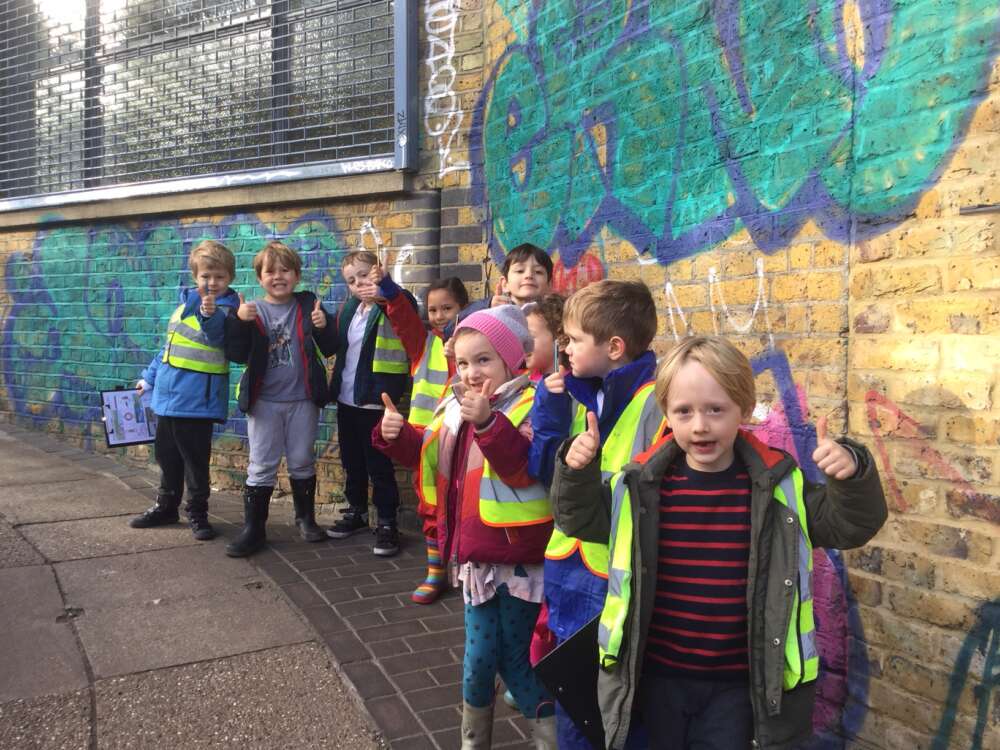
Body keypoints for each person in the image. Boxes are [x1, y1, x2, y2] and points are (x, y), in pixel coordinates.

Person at [551, 336, 888, 749]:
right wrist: (576, 470)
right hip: (656, 677)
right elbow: (579, 518)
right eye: (684, 411)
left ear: (743, 410)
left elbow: (851, 525)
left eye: (716, 409)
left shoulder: (779, 488)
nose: (700, 425)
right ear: (667, 414)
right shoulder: (640, 486)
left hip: (738, 684)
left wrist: (851, 474)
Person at [373, 305, 557, 748]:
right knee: (479, 663)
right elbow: (430, 456)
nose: (471, 372)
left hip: (518, 561)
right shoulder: (453, 405)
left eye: (484, 360)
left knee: (511, 662)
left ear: (513, 360)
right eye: (463, 362)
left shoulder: (533, 403)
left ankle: (552, 739)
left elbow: (522, 468)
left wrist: (489, 422)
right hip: (475, 556)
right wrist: (396, 435)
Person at [527, 280, 666, 749]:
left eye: (573, 340)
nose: (563, 348)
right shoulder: (586, 393)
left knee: (607, 717)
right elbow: (548, 469)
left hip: (610, 583)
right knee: (577, 713)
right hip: (573, 572)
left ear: (614, 347)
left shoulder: (652, 403)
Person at [223, 241, 338, 557]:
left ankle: (305, 519)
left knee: (302, 460)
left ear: (297, 275)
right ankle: (254, 530)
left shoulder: (308, 304)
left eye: (285, 270)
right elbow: (235, 354)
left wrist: (324, 326)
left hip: (303, 399)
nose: (278, 276)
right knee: (261, 466)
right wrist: (239, 322)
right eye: (270, 271)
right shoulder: (251, 310)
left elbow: (329, 347)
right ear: (259, 278)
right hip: (265, 403)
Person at [371, 270, 470, 602]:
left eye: (448, 309)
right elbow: (402, 318)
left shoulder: (473, 345)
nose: (439, 316)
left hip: (462, 441)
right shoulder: (422, 344)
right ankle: (435, 571)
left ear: (464, 309)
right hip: (425, 444)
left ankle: (464, 566)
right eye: (433, 310)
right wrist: (386, 286)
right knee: (429, 505)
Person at [131, 240, 240, 541]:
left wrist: (209, 313)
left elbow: (217, 336)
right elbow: (168, 349)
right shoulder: (182, 306)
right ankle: (166, 506)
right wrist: (148, 378)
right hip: (167, 399)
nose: (212, 282)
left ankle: (198, 513)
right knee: (167, 457)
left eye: (219, 276)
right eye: (206, 276)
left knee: (195, 463)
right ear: (195, 276)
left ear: (229, 277)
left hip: (197, 402)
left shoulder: (230, 308)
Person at [326, 250, 415, 556]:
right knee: (352, 462)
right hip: (348, 398)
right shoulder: (350, 308)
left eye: (364, 275)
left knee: (378, 465)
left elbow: (406, 310)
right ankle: (357, 511)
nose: (358, 284)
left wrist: (385, 289)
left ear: (377, 272)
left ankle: (388, 521)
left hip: (376, 400)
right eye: (352, 280)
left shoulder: (393, 301)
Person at [444, 243, 554, 358]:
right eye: (520, 271)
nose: (529, 275)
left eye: (538, 272)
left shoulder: (555, 317)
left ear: (550, 285)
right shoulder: (493, 314)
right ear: (505, 283)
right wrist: (487, 306)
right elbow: (450, 329)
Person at [523, 293, 567, 382]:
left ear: (561, 341)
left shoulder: (572, 387)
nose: (522, 343)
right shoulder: (521, 380)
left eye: (529, 336)